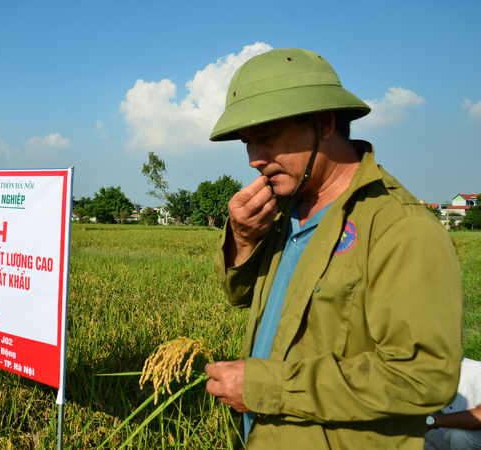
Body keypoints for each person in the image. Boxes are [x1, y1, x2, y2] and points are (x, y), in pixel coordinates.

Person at [203, 47, 463, 450]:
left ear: (324, 123)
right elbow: (240, 295)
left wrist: (265, 386)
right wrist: (243, 237)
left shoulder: (401, 228)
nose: (255, 159)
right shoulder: (283, 209)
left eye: (267, 138)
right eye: (246, 143)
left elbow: (422, 377)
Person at [425, 358, 481, 450]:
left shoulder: (477, 371)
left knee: (459, 434)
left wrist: (433, 421)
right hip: (465, 440)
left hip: (467, 437)